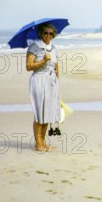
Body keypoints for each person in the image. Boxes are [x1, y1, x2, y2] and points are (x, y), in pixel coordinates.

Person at [26, 23, 61, 152]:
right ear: (40, 33)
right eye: (45, 33)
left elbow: (56, 66)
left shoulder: (54, 48)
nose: (48, 36)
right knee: (39, 113)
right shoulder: (34, 47)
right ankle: (38, 143)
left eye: (51, 33)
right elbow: (28, 66)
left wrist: (57, 81)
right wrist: (43, 61)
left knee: (48, 113)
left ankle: (43, 142)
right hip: (39, 80)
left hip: (51, 81)